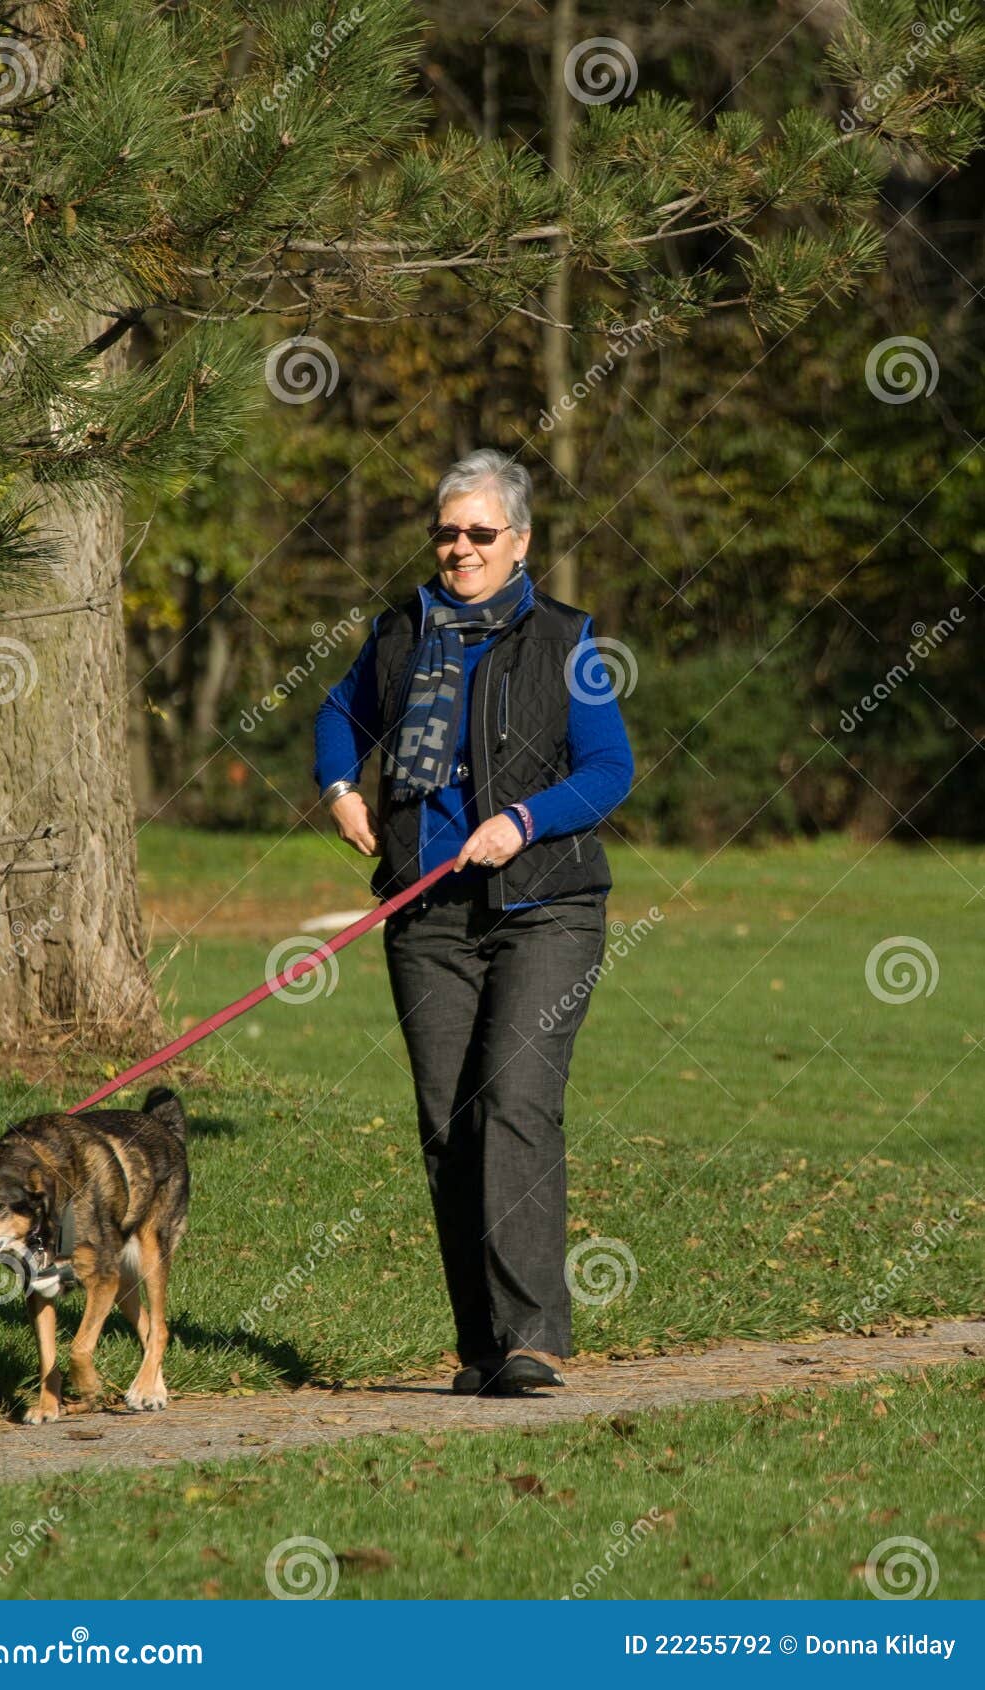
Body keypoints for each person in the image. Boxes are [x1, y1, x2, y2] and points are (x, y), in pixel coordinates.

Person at [313, 449, 634, 1395]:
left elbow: (609, 770)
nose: (460, 549)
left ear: (521, 541)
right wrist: (339, 787)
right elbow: (340, 713)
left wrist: (522, 820)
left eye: (480, 534)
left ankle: (535, 1339)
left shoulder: (565, 640)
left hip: (547, 906)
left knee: (515, 1103)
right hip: (427, 910)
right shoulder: (400, 632)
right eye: (446, 532)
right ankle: (483, 1346)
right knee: (449, 1122)